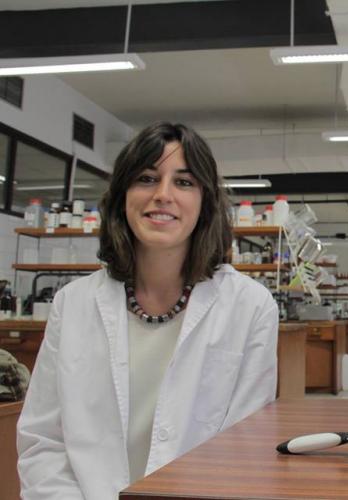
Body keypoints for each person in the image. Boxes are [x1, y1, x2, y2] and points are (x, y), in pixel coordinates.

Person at [17, 122, 278, 499]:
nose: (163, 195)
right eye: (146, 178)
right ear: (123, 194)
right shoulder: (73, 303)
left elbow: (243, 451)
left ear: (205, 201)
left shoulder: (250, 306)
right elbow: (43, 440)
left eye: (184, 182)